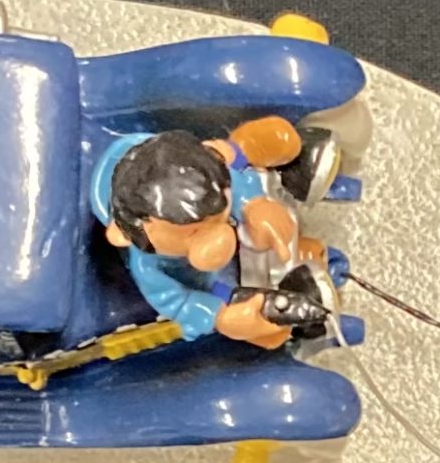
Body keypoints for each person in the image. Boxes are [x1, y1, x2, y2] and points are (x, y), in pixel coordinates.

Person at [92, 119, 327, 349]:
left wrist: (253, 204)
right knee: (265, 332)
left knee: (273, 141)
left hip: (221, 192)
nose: (218, 238)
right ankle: (293, 293)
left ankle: (257, 151)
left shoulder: (205, 182)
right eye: (193, 233)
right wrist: (219, 317)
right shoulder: (148, 268)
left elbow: (232, 182)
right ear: (123, 235)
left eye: (217, 218)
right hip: (205, 283)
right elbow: (178, 303)